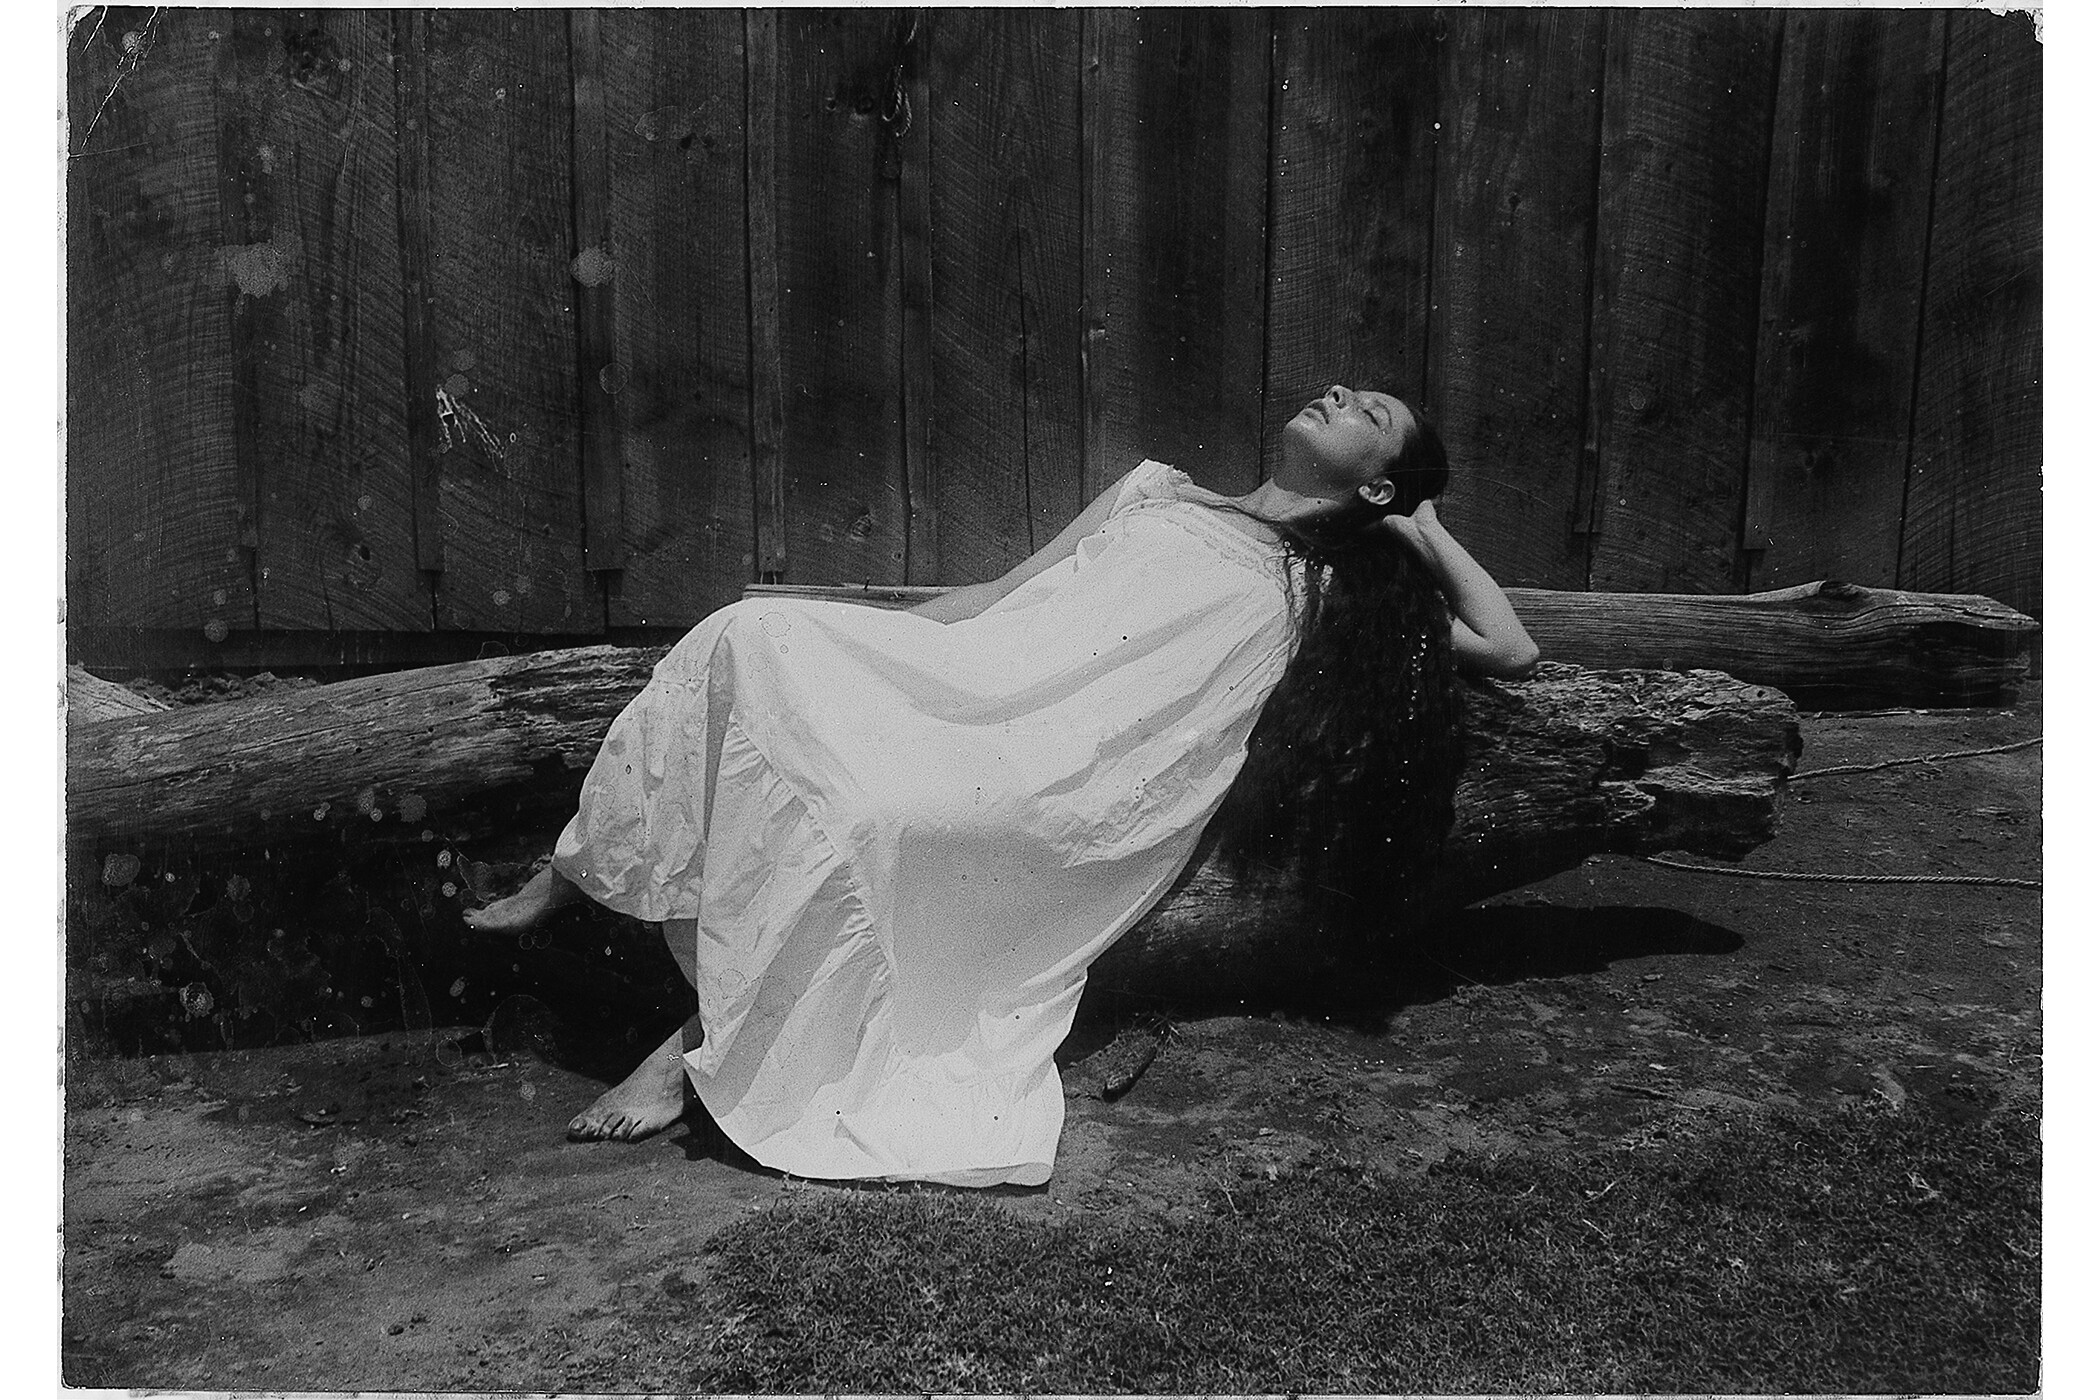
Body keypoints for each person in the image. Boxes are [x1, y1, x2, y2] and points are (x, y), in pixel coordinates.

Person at [464, 385, 1537, 1187]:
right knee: (749, 632)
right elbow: (1001, 595)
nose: (1341, 391)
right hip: (981, 685)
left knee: (872, 815)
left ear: (1378, 481)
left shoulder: (1331, 596)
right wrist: (882, 650)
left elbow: (1509, 645)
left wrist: (1425, 526)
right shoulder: (1155, 486)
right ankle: (581, 861)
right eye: (1349, 386)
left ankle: (696, 1048)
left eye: (1373, 411)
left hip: (1073, 773)